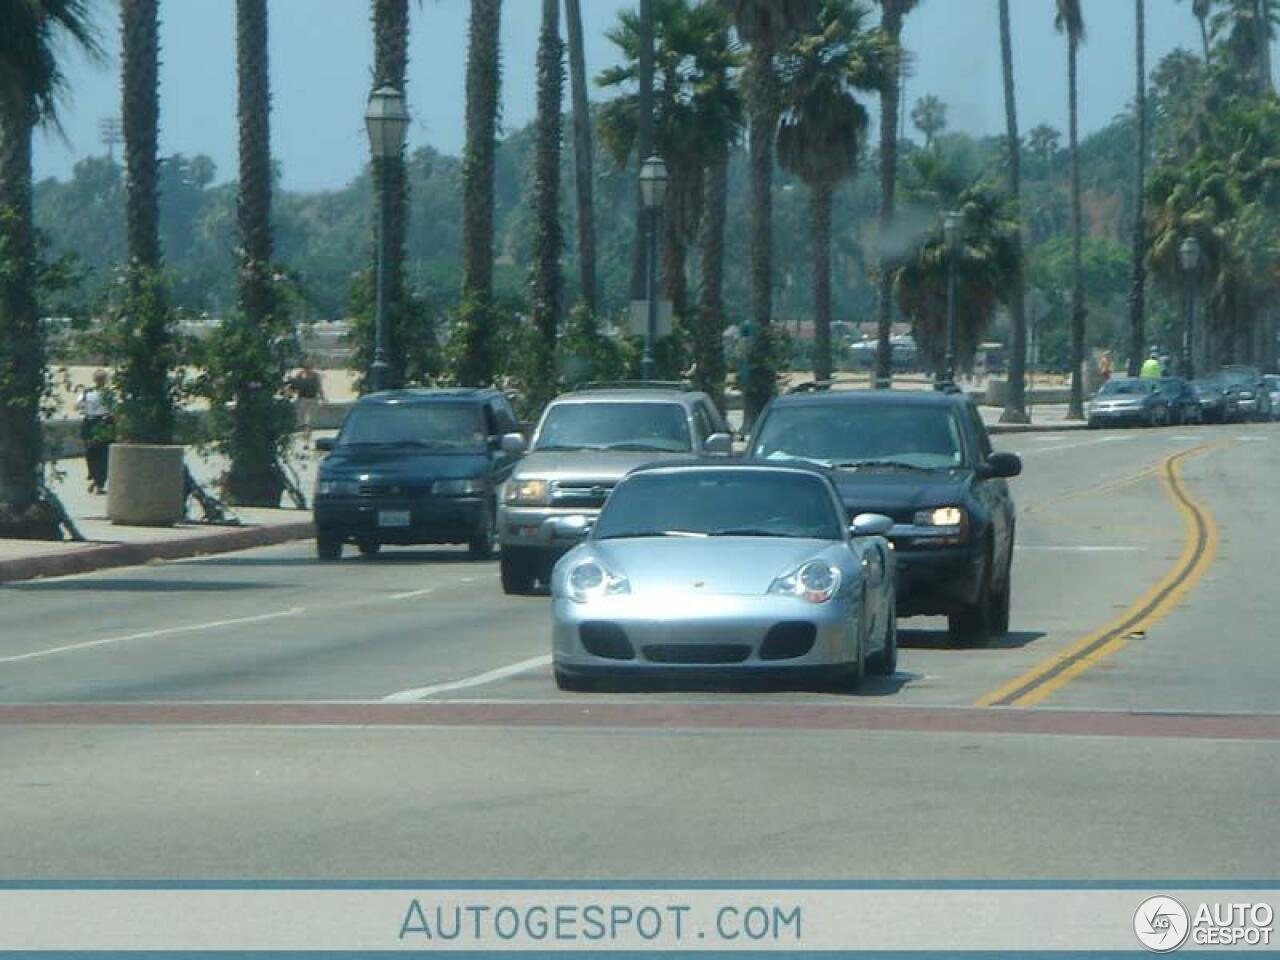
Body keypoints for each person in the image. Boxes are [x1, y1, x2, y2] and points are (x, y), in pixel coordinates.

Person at [76, 369, 114, 494]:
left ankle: (98, 480)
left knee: (99, 452)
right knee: (94, 452)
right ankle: (95, 477)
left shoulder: (107, 393)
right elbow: (78, 405)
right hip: (92, 422)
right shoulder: (88, 392)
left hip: (101, 421)